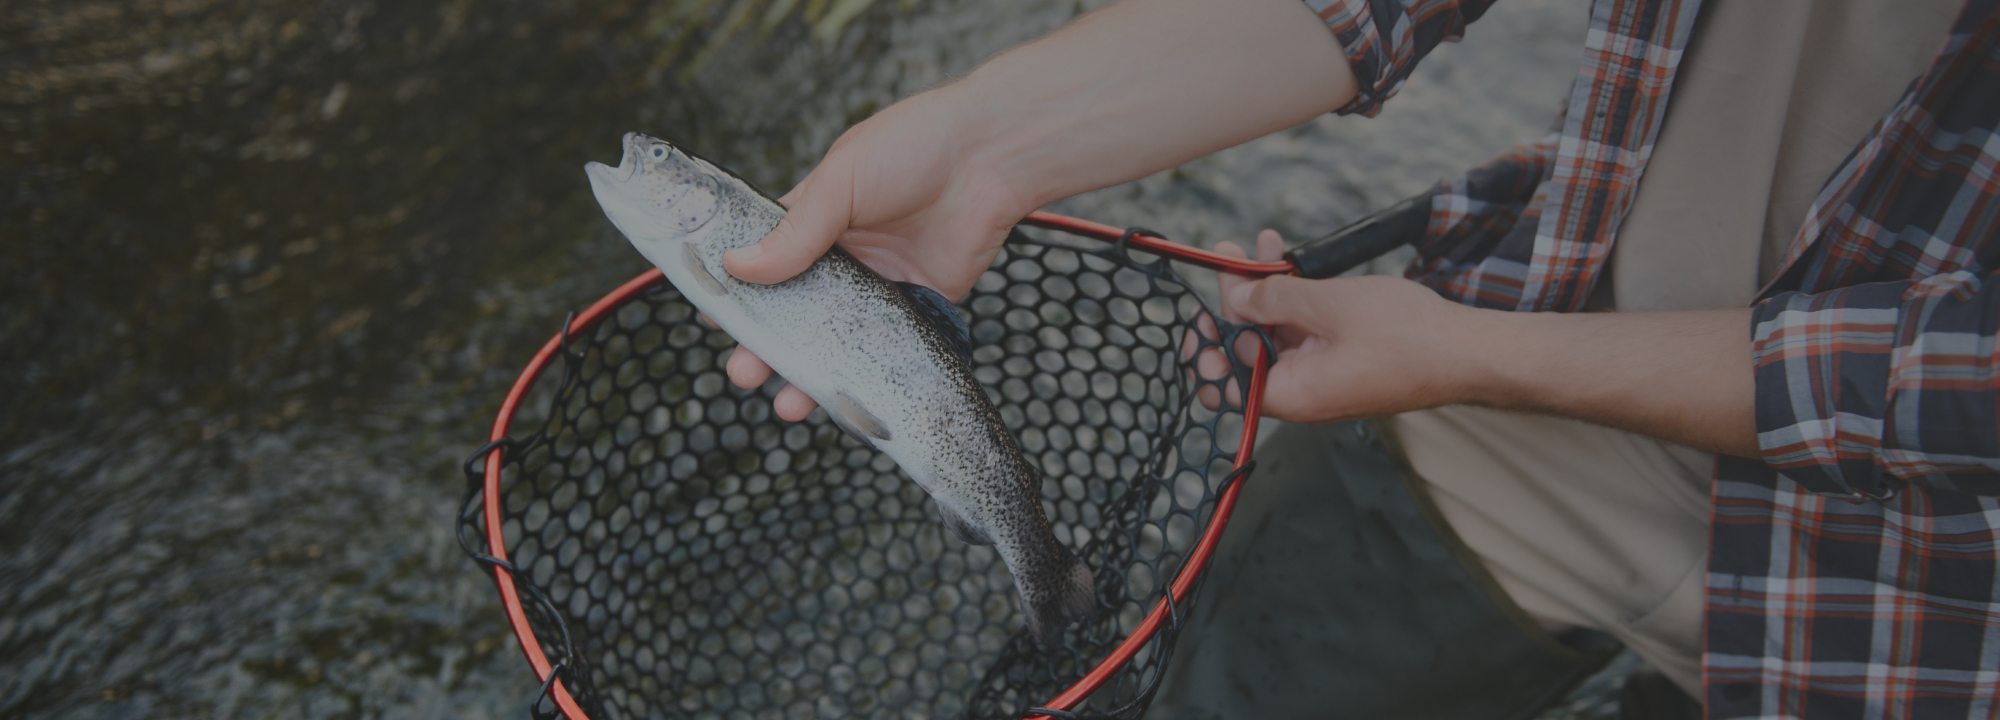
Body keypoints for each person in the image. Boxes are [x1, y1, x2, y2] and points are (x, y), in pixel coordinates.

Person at [718, 0, 2000, 716]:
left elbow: (1959, 374)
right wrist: (980, 143)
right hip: (1513, 382)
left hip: (1924, 631)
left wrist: (1473, 355)